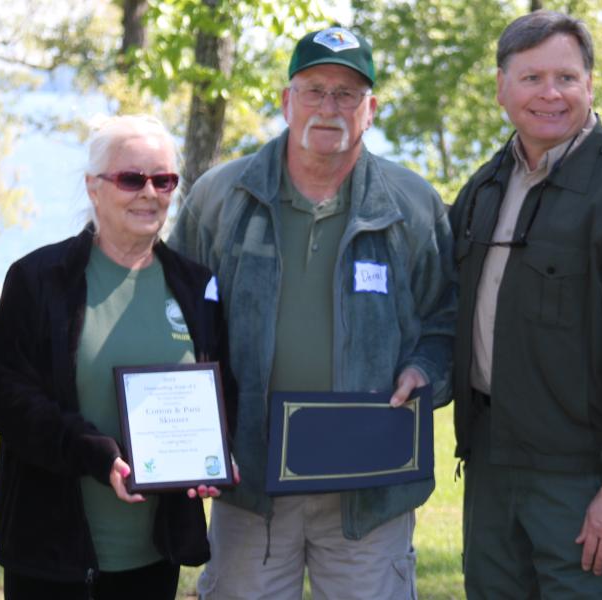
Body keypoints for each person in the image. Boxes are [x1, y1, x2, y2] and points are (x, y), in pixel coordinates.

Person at [169, 25, 455, 600]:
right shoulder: (220, 197)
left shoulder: (413, 206)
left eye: (347, 94)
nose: (330, 108)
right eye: (314, 90)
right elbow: (174, 316)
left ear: (370, 109)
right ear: (286, 100)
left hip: (368, 491)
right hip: (249, 485)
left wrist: (424, 369)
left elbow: (446, 321)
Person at [449, 10, 602, 599]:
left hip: (581, 477)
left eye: (566, 77)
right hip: (489, 464)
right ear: (501, 89)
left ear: (590, 85)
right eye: (531, 78)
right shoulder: (483, 189)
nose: (550, 94)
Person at [0, 115, 234, 600]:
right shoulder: (39, 279)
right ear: (94, 188)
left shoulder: (196, 286)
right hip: (50, 549)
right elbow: (0, 394)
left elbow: (220, 386)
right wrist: (89, 450)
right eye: (131, 179)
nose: (149, 193)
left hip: (154, 552)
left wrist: (218, 454)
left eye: (164, 180)